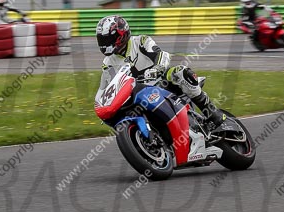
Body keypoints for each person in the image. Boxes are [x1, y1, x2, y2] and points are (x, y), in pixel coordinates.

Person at [95, 15, 226, 131]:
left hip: (159, 82)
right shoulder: (108, 63)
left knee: (179, 72)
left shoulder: (140, 41)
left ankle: (211, 112)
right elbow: (106, 88)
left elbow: (161, 55)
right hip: (137, 96)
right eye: (102, 40)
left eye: (107, 40)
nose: (104, 44)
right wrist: (102, 106)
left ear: (120, 35)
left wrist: (157, 69)